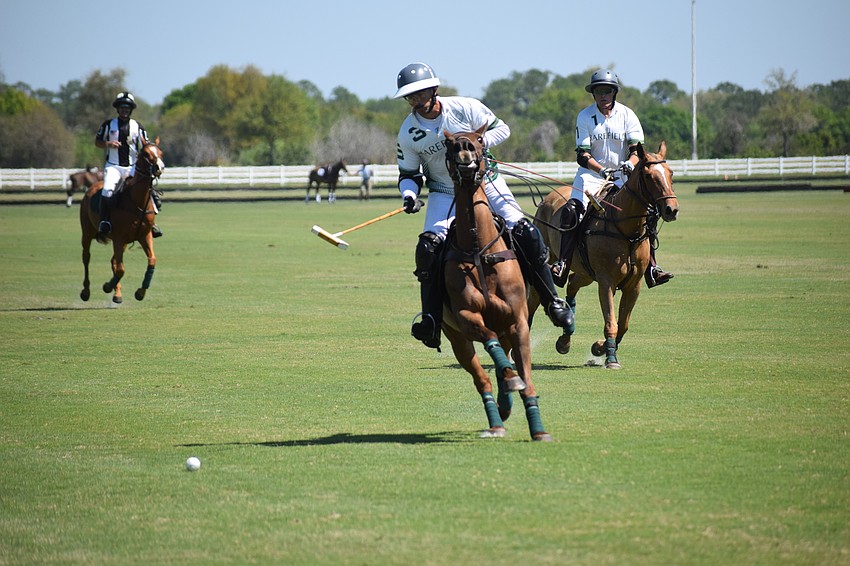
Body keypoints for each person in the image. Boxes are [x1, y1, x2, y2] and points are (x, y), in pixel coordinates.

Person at [393, 62, 572, 350]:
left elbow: (503, 128)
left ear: (434, 90)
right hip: (443, 192)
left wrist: (479, 141)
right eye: (410, 95)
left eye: (420, 92)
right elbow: (409, 174)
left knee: (525, 231)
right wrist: (409, 195)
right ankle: (431, 319)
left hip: (486, 182)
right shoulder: (408, 132)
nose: (415, 99)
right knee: (427, 249)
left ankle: (552, 301)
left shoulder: (465, 107)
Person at [553, 69, 673, 289]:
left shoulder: (628, 115)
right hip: (590, 177)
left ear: (614, 93)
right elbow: (583, 155)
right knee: (571, 211)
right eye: (599, 91)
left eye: (607, 91)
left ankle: (652, 267)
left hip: (623, 176)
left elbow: (637, 151)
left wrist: (630, 164)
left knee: (648, 213)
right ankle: (562, 263)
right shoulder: (585, 116)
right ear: (594, 94)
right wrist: (600, 171)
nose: (603, 95)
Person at [94, 92, 163, 238]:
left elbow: (146, 144)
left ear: (130, 110)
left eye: (127, 108)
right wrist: (108, 144)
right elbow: (97, 142)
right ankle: (105, 221)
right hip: (113, 166)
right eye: (122, 107)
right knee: (107, 191)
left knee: (146, 190)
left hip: (132, 166)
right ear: (117, 109)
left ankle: (152, 224)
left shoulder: (137, 126)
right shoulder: (108, 125)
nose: (124, 110)